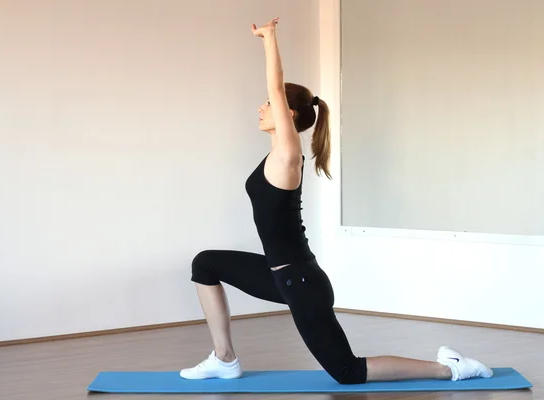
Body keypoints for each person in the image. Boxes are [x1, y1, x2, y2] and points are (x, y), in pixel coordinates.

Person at [179, 17, 494, 385]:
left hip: (301, 282)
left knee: (347, 372)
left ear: (288, 114)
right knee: (206, 264)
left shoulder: (288, 155)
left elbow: (277, 89)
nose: (261, 108)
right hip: (279, 275)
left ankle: (452, 368)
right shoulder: (274, 157)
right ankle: (225, 358)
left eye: (268, 103)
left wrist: (270, 39)